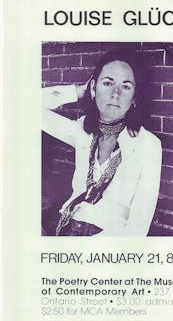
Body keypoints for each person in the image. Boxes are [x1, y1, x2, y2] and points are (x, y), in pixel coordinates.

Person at [42, 50, 162, 237]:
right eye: (107, 83)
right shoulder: (82, 131)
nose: (115, 93)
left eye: (126, 86)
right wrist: (77, 90)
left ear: (135, 98)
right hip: (65, 230)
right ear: (93, 89)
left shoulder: (148, 145)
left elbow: (138, 226)